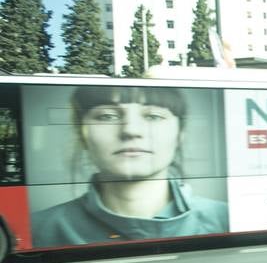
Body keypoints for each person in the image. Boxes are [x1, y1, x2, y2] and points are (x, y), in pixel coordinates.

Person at [31, 85, 228, 248]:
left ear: (179, 135)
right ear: (82, 134)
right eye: (107, 116)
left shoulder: (223, 217)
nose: (131, 131)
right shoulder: (38, 229)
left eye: (153, 116)